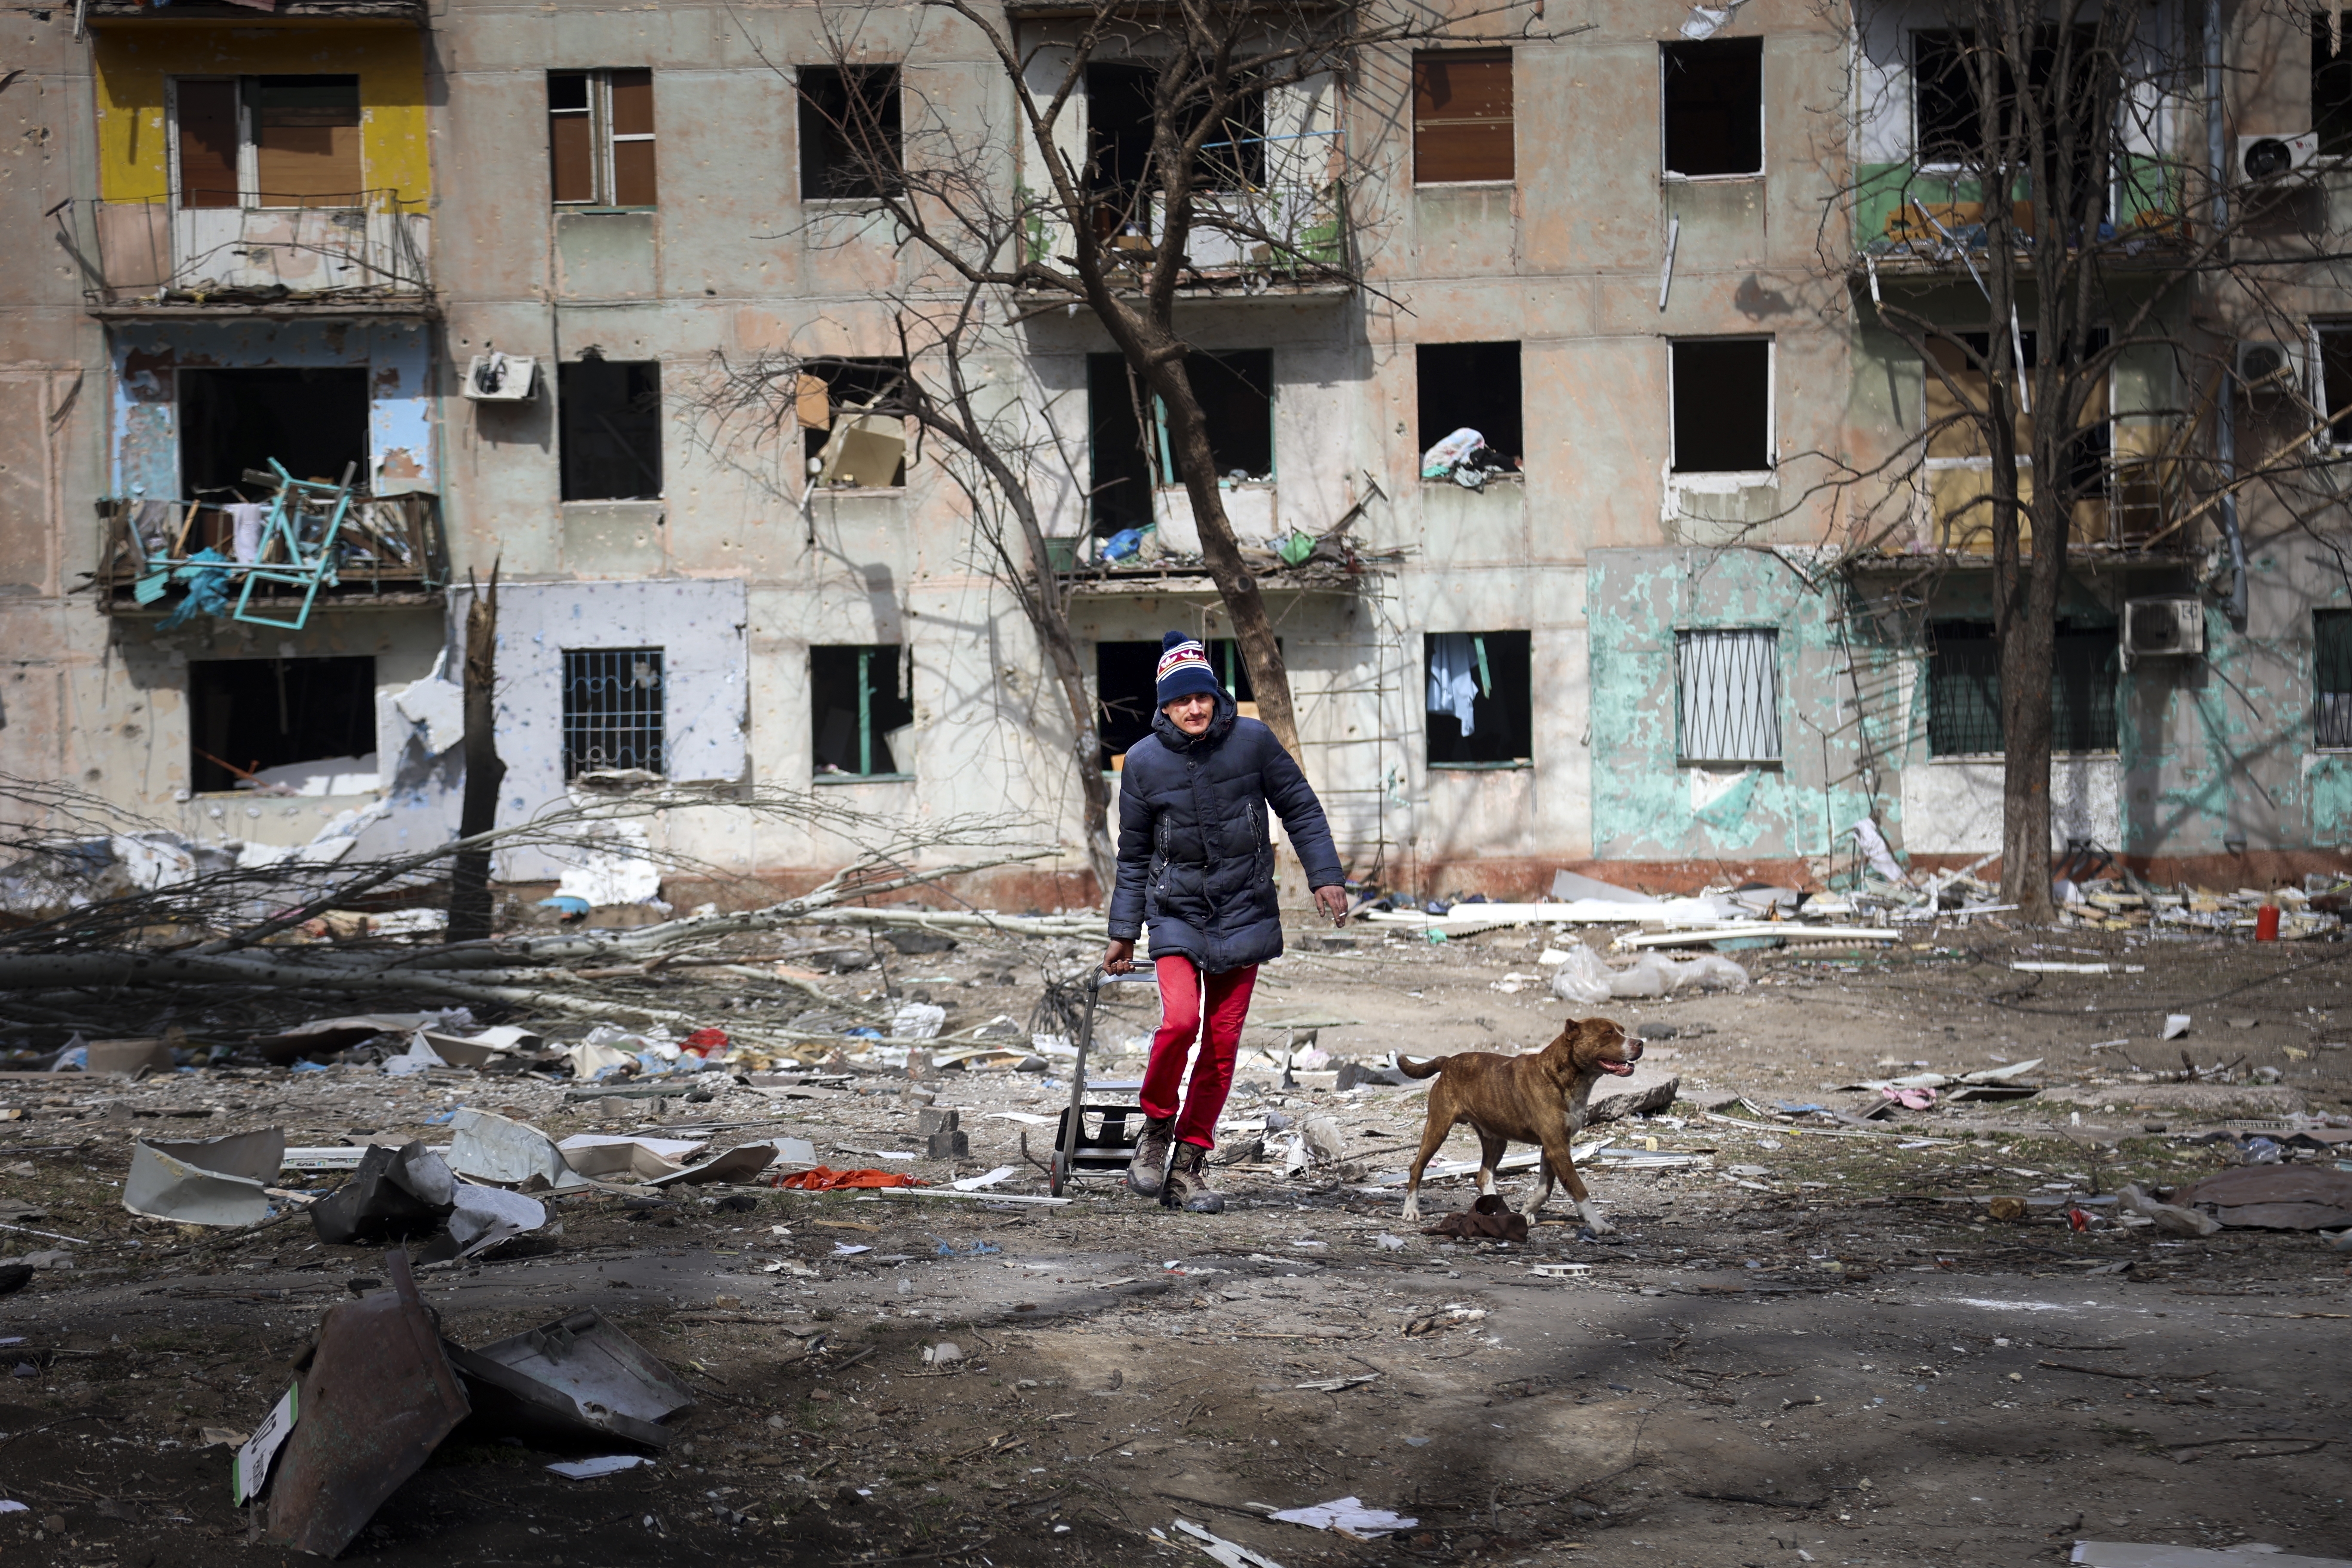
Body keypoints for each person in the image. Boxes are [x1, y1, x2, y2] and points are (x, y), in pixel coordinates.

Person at [1103, 632, 1350, 1212]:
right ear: (1164, 706)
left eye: (1203, 697)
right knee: (1181, 1022)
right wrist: (1123, 932)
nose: (1194, 709)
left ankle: (1189, 1164)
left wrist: (1325, 875)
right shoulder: (1141, 763)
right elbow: (1133, 854)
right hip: (1176, 913)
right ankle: (1157, 1127)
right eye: (1181, 700)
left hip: (1244, 910)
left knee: (1220, 1045)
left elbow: (1300, 807)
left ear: (1216, 696)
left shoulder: (1254, 742)